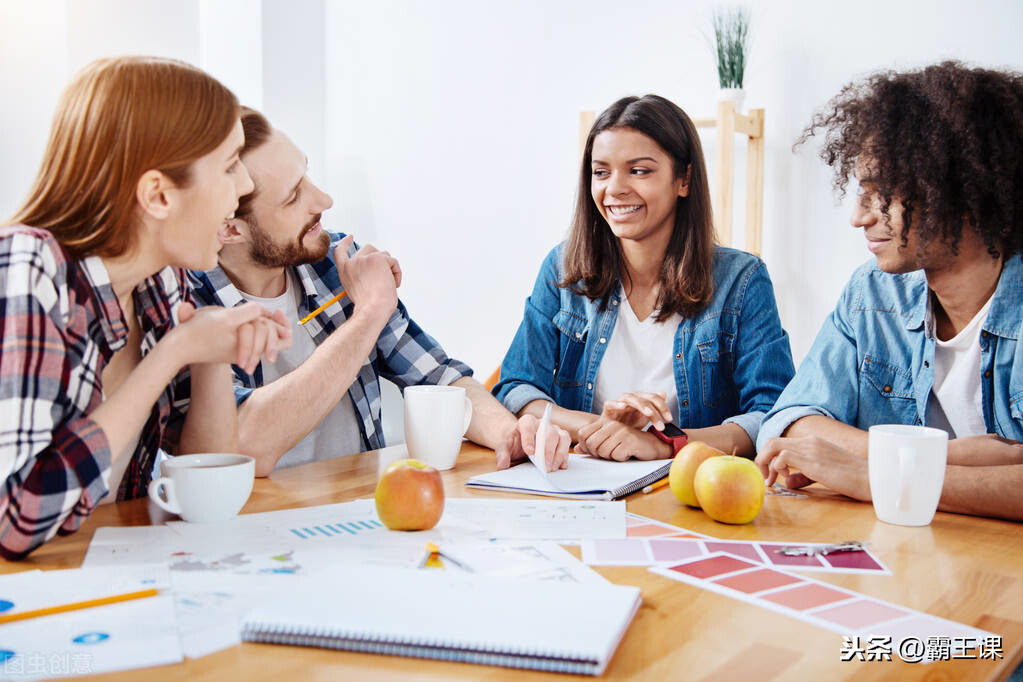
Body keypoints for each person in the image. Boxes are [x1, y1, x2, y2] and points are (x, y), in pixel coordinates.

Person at [0, 57, 291, 559]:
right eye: (228, 166)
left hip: (107, 576)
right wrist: (172, 352)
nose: (245, 187)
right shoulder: (28, 266)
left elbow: (205, 478)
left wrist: (210, 352)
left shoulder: (163, 281)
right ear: (157, 194)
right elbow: (15, 517)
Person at [188, 107, 569, 477]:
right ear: (230, 230)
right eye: (292, 197)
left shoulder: (333, 262)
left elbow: (436, 376)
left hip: (360, 512)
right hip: (255, 525)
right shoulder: (188, 305)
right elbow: (246, 444)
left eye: (307, 175)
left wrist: (510, 434)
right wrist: (369, 314)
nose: (323, 201)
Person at [755, 62, 1023, 522]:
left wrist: (873, 476)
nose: (859, 217)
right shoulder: (874, 291)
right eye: (861, 190)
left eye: (882, 193)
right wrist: (961, 459)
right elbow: (789, 422)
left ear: (960, 191)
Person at [493, 94, 794, 462]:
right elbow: (517, 389)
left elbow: (772, 416)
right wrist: (601, 429)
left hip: (689, 495)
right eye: (601, 172)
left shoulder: (742, 281)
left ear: (683, 179)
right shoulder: (563, 268)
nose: (615, 188)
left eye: (639, 171)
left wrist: (665, 444)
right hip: (582, 487)